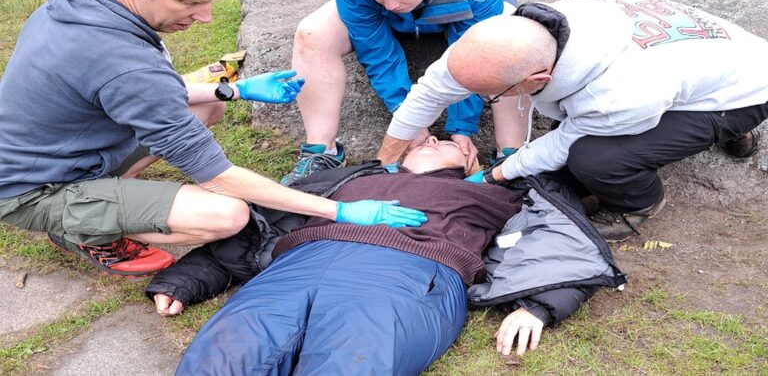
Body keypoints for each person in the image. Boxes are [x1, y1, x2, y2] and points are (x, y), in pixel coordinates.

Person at [0, 0, 427, 278]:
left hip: (69, 147)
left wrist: (236, 89)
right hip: (35, 187)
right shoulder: (122, 61)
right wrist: (338, 212)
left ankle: (110, 196)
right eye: (188, 2)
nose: (204, 18)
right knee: (227, 215)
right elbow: (215, 174)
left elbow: (136, 89)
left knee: (209, 104)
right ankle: (80, 226)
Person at [146, 137, 626, 374]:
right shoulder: (348, 181)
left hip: (405, 277)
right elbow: (267, 221)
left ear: (472, 163)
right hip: (297, 267)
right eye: (429, 136)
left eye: (452, 142)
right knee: (221, 360)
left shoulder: (498, 195)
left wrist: (541, 305)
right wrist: (187, 278)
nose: (436, 139)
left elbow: (557, 240)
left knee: (351, 365)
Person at [377, 0, 768, 242]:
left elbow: (564, 143)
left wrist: (491, 176)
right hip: (693, 65)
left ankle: (638, 203)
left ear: (537, 80)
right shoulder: (507, 37)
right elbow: (432, 89)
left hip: (743, 86)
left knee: (595, 159)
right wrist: (386, 163)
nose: (480, 98)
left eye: (488, 96)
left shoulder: (617, 94)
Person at [281, 0, 524, 185]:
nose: (390, 5)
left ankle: (511, 157)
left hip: (467, 14)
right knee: (311, 33)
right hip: (399, 21)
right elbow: (377, 53)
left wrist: (462, 127)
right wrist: (410, 122)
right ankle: (321, 153)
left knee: (509, 42)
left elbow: (474, 55)